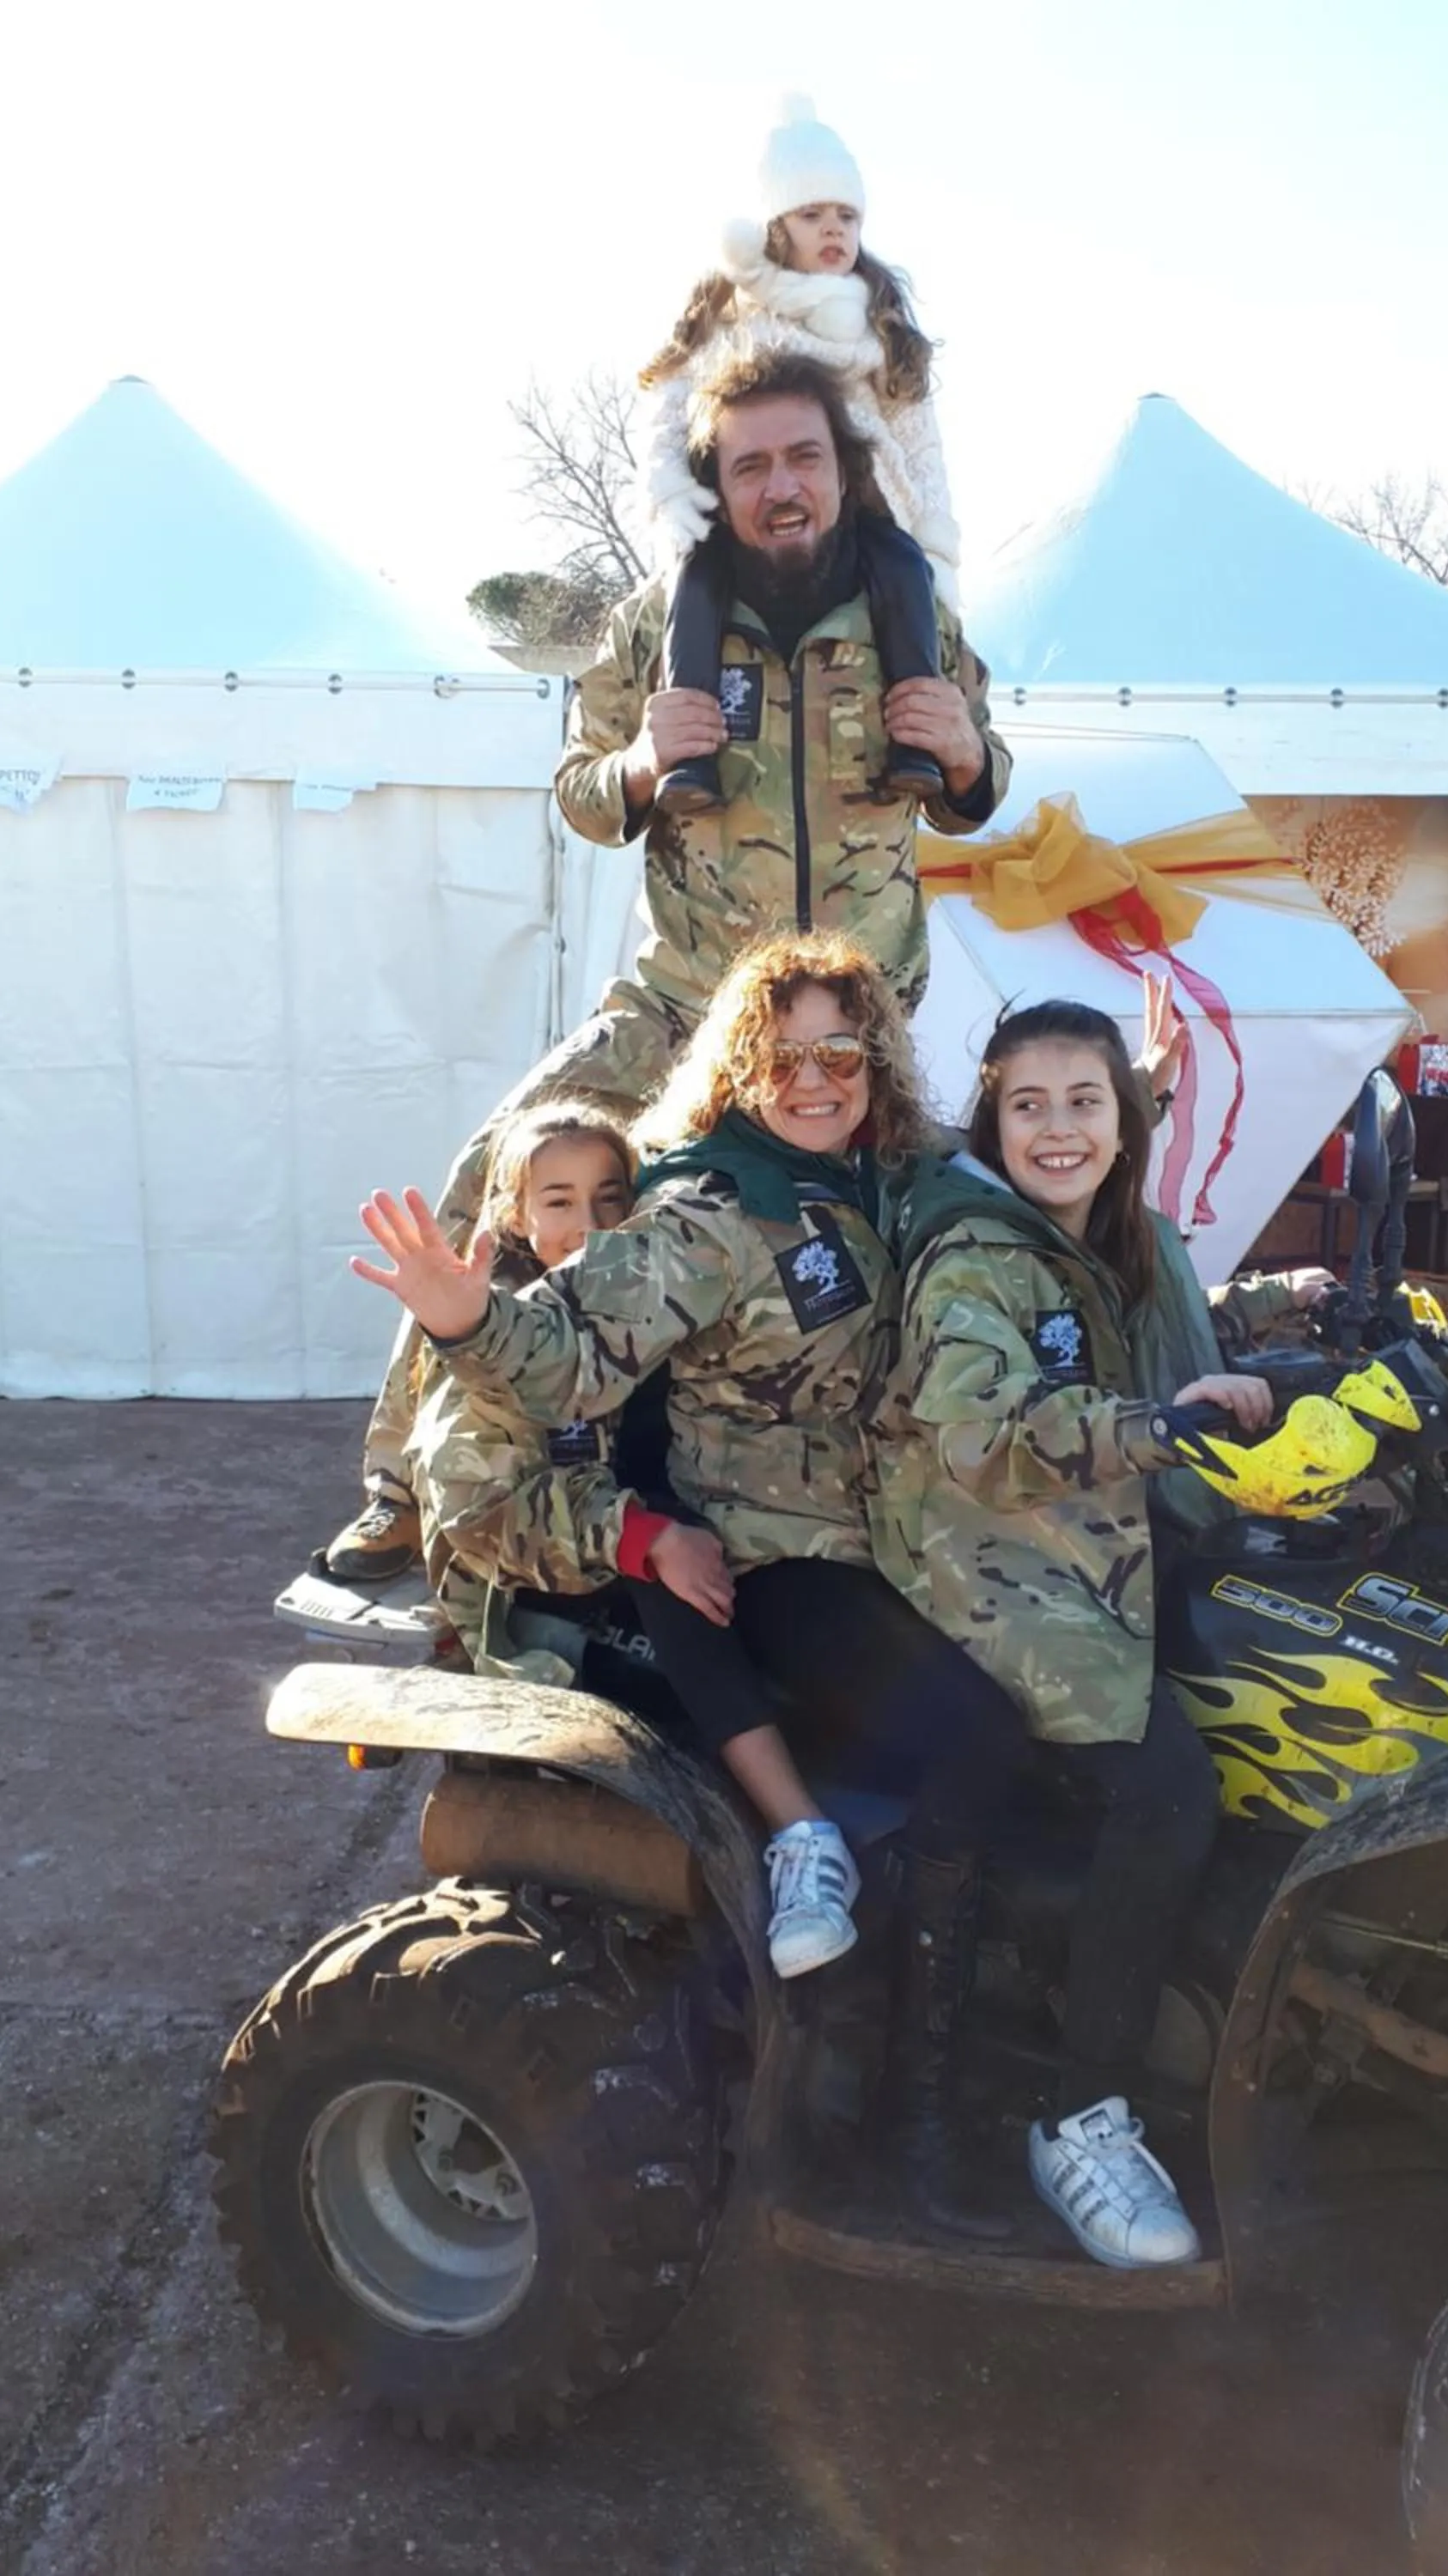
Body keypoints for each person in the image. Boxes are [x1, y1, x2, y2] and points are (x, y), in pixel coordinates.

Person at [350, 931, 1031, 2239]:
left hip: (879, 1541)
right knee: (972, 1750)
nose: (816, 1077)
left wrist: (1128, 1104)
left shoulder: (878, 1181)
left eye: (841, 1051)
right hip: (764, 1558)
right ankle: (900, 2102)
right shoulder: (717, 1209)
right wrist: (464, 1321)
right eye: (785, 1058)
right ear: (742, 1065)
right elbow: (558, 1356)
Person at [324, 344, 1010, 1585]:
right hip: (689, 1001)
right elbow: (581, 794)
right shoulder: (658, 625)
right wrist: (639, 767)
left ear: (843, 471)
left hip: (854, 1031)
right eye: (749, 465)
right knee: (503, 1164)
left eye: (802, 456)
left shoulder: (915, 622)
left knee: (951, 1230)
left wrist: (966, 753)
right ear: (717, 485)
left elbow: (977, 791)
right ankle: (405, 1487)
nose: (779, 485)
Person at [873, 1000, 1330, 2271]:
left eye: (1087, 1102)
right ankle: (1078, 2113)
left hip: (1101, 1533)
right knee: (1170, 1786)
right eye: (1029, 1106)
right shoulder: (975, 1257)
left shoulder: (1104, 1236)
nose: (1059, 1128)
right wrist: (1153, 1426)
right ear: (990, 1122)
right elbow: (974, 1426)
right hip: (992, 1562)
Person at [637, 94, 958, 814]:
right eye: (814, 215)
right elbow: (670, 396)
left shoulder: (882, 328)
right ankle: (688, 755)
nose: (834, 231)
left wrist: (935, 536)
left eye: (847, 217)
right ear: (775, 226)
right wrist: (666, 484)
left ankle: (916, 741)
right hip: (742, 515)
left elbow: (919, 443)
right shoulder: (733, 314)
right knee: (698, 585)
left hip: (859, 509)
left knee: (903, 571)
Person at [403, 1102, 729, 1669]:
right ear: (516, 1216)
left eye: (610, 1198)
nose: (592, 1226)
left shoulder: (658, 1305)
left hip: (665, 1559)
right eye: (559, 1202)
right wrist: (641, 1535)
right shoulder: (492, 1332)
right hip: (542, 1594)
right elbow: (478, 1511)